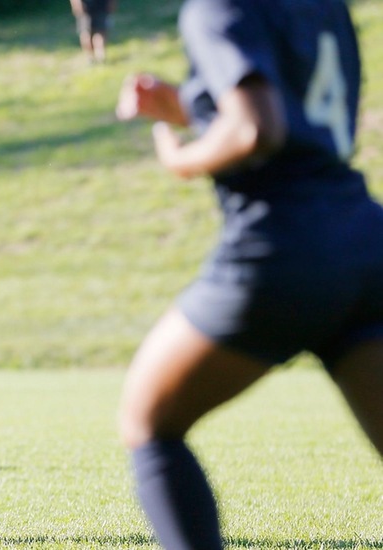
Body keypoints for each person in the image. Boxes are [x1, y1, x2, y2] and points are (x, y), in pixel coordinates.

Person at [115, 1, 383, 548]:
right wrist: (191, 104)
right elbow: (302, 121)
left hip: (283, 249)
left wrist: (180, 158)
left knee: (148, 422)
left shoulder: (216, 7)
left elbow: (258, 129)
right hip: (365, 242)